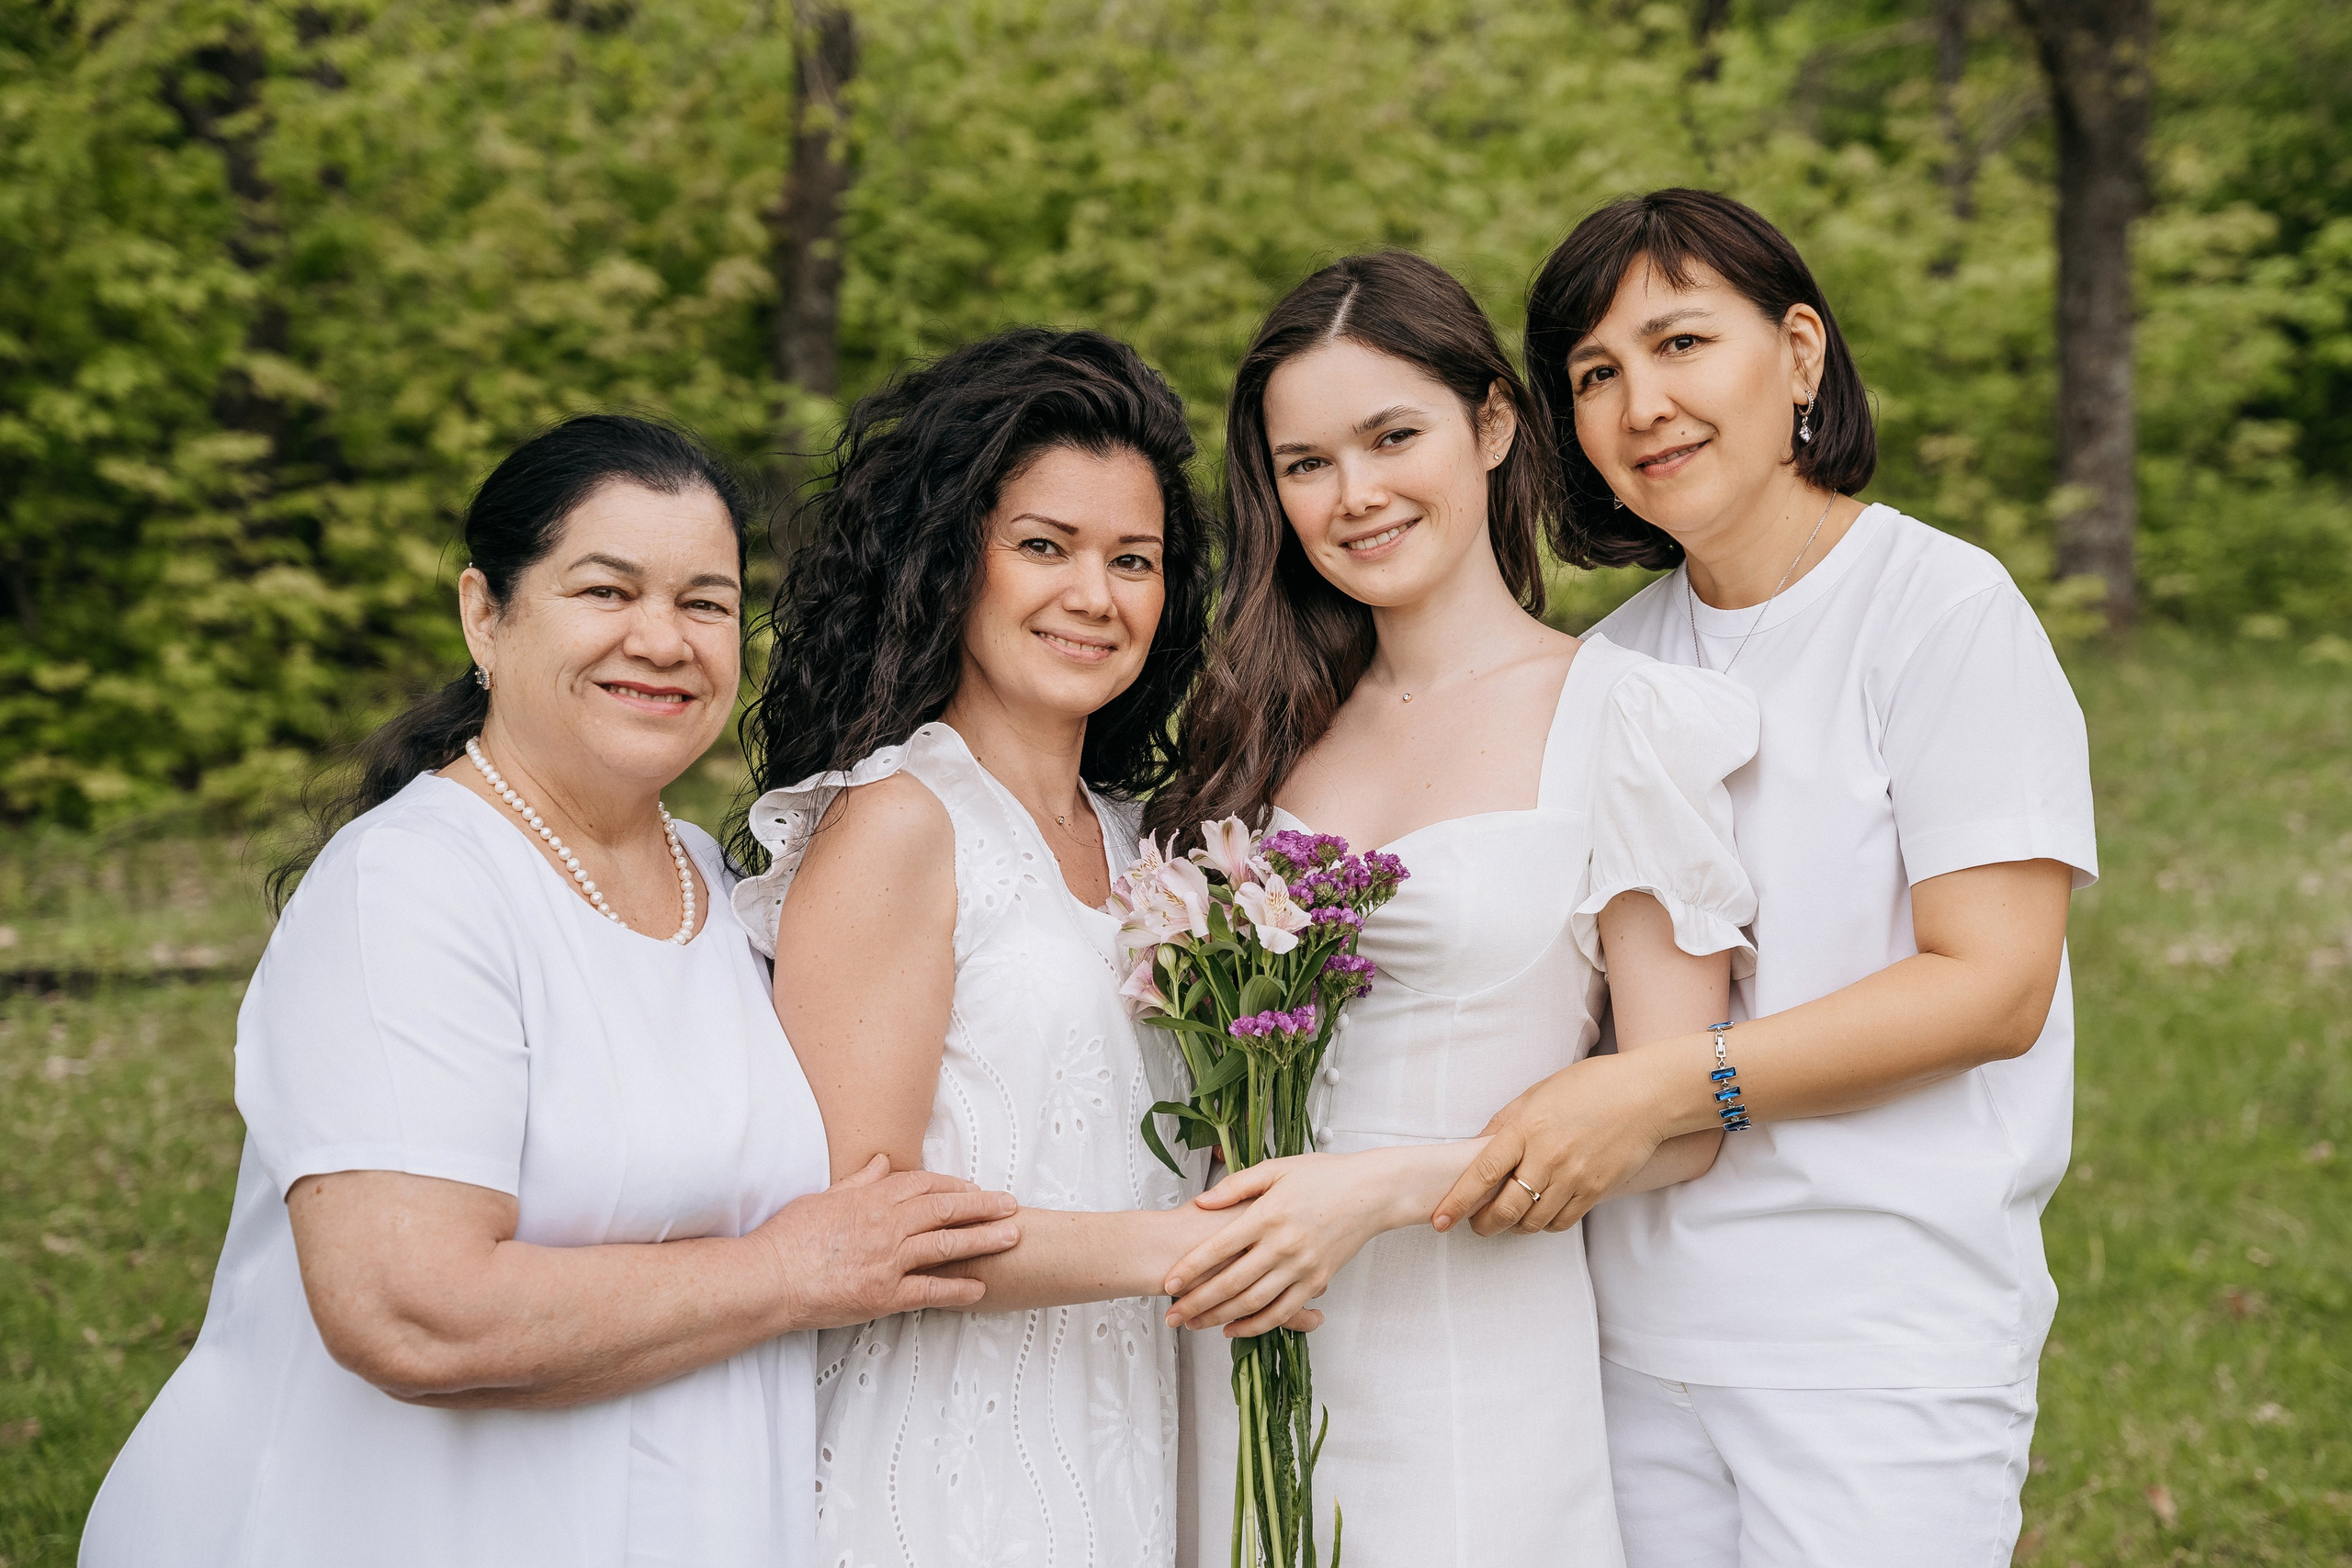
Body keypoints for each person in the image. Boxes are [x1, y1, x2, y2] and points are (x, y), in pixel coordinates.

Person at [79, 414, 1023, 1568]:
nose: (663, 640)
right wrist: (792, 1272)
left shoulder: (718, 885)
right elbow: (410, 1312)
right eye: (605, 591)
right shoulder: (413, 885)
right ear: (486, 612)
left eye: (706, 602)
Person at [1436, 187, 2096, 1568]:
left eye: (1682, 343)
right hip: (1629, 1337)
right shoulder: (1614, 664)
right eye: (1597, 375)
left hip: (1877, 1342)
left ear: (1799, 355)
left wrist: (1664, 1085)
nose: (1642, 404)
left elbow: (1993, 984)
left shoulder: (1940, 608)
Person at [1143, 252, 1760, 1567]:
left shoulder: (1618, 717)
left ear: (1489, 425)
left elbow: (1677, 1120)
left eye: (1391, 436)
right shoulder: (1261, 727)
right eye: (1305, 462)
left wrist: (1374, 1190)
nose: (1354, 493)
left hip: (1467, 1364)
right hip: (1237, 1353)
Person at [732, 328, 1313, 1568]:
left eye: (1134, 559)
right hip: (940, 1458)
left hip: (1121, 1435)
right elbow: (858, 1220)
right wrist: (1192, 1248)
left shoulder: (1150, 850)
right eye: (1043, 545)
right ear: (953, 563)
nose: (1095, 595)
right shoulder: (900, 820)